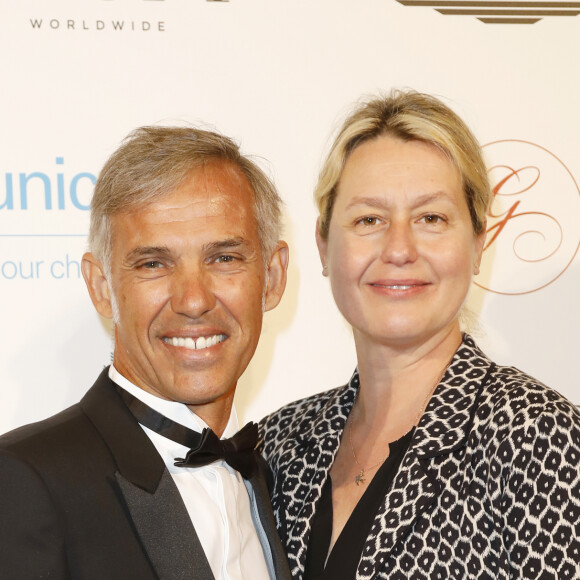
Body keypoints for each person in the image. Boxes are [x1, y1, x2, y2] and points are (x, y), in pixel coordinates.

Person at [260, 91, 580, 579]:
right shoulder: (278, 444)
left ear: (477, 243)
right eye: (369, 219)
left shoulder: (539, 437)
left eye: (431, 218)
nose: (399, 248)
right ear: (324, 246)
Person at [0, 126, 292, 580]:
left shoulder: (280, 481)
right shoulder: (22, 483)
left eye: (224, 258)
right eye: (153, 264)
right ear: (101, 288)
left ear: (272, 278)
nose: (193, 300)